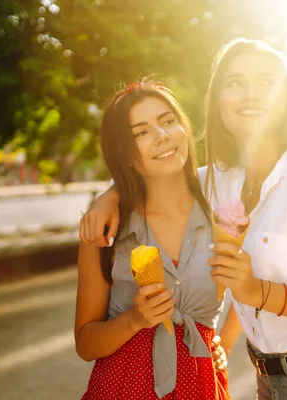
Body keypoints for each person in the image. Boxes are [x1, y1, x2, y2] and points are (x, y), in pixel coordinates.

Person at [81, 39, 287, 400]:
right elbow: (155, 174)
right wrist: (108, 198)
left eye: (266, 81)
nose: (251, 94)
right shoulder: (219, 182)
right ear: (217, 102)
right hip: (271, 383)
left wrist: (256, 292)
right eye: (235, 82)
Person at [75, 79, 230, 400]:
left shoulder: (224, 212)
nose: (161, 136)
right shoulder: (104, 229)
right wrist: (134, 319)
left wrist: (222, 343)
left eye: (168, 121)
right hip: (122, 388)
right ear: (126, 153)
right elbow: (85, 344)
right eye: (141, 132)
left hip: (201, 387)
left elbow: (252, 284)